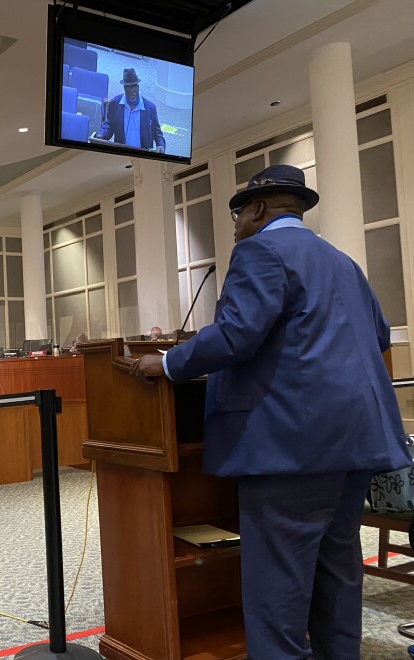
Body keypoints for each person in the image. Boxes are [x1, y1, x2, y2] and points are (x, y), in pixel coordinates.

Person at [130, 164, 412, 659]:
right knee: (337, 571)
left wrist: (168, 362)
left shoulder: (259, 250)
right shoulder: (342, 261)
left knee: (277, 587)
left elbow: (238, 333)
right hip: (359, 441)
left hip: (292, 445)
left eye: (237, 215)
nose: (235, 225)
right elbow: (381, 335)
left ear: (257, 210)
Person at [95, 68, 165, 153]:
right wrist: (101, 135)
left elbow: (157, 133)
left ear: (138, 87)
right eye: (129, 87)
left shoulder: (150, 108)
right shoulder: (115, 104)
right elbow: (109, 125)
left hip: (143, 154)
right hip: (121, 152)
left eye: (134, 86)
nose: (132, 90)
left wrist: (161, 146)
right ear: (124, 88)